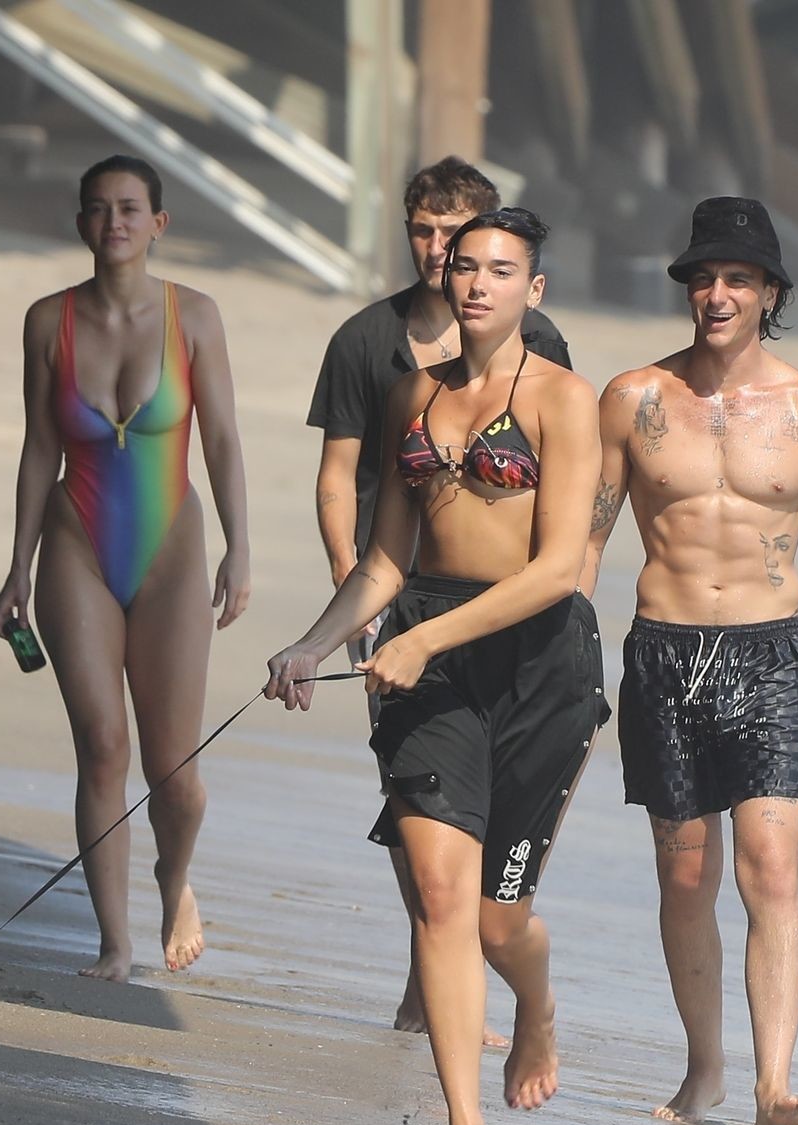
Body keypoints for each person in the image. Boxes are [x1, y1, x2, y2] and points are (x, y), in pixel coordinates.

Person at [267, 209, 604, 1125]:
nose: (477, 283)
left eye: (500, 269)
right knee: (441, 895)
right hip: (431, 664)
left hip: (540, 665)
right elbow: (385, 559)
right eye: (464, 266)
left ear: (533, 290)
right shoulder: (411, 394)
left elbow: (557, 569)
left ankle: (534, 1004)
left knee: (500, 924)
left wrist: (425, 638)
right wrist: (312, 642)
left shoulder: (564, 399)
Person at [583, 197, 798, 1125]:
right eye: (703, 277)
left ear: (771, 292)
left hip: (772, 659)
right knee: (686, 877)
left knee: (770, 867)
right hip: (665, 656)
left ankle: (776, 1088)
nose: (718, 294)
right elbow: (586, 541)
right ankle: (707, 1066)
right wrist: (561, 656)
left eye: (738, 278)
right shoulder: (635, 400)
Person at [307, 156, 572, 1039]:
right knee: (426, 840)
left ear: (529, 282)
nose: (455, 266)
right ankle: (438, 1002)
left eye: (482, 256)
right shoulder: (379, 358)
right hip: (406, 611)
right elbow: (350, 494)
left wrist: (569, 591)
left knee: (497, 889)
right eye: (443, 247)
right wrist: (329, 619)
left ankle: (508, 988)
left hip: (525, 636)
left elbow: (568, 522)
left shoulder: (551, 367)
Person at [0, 155, 251, 982]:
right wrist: (18, 566)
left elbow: (221, 439)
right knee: (103, 746)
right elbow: (39, 448)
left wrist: (240, 546)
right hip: (76, 543)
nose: (115, 222)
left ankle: (174, 878)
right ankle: (114, 942)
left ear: (158, 224)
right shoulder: (48, 321)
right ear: (82, 223)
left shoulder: (195, 316)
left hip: (172, 551)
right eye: (100, 208)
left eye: (131, 208)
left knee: (174, 774)